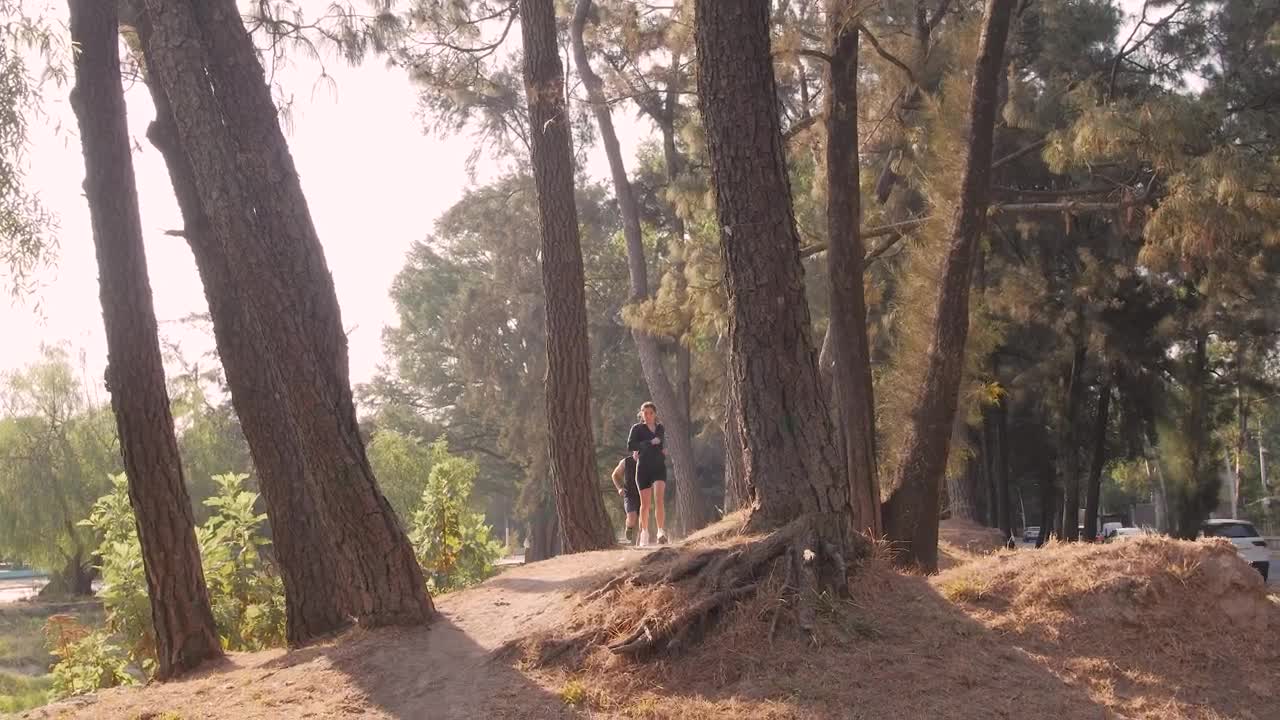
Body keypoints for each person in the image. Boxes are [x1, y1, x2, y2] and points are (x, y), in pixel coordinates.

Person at [627, 401, 668, 546]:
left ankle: (660, 531)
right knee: (645, 505)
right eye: (645, 413)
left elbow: (661, 441)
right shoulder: (637, 428)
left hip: (658, 467)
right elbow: (631, 445)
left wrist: (662, 449)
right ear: (642, 414)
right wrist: (648, 443)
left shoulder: (660, 428)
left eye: (651, 413)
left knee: (659, 500)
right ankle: (644, 532)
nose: (648, 416)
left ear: (655, 414)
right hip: (643, 468)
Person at [610, 455, 641, 545]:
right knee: (632, 517)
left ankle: (640, 544)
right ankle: (629, 527)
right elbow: (615, 475)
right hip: (630, 494)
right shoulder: (626, 461)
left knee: (643, 520)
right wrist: (619, 488)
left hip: (643, 493)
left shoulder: (647, 460)